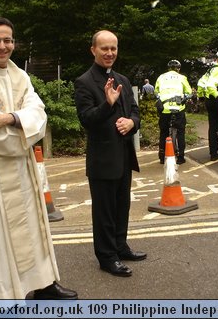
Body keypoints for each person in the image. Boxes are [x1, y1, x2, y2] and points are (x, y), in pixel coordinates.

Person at [0, 17, 77, 300]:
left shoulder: (20, 76)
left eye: (8, 40)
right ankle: (2, 294)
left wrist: (11, 118)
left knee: (34, 226)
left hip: (22, 167)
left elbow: (39, 111)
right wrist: (23, 127)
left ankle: (44, 284)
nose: (3, 46)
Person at [74, 30, 146, 278]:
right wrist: (108, 104)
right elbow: (87, 120)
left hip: (124, 156)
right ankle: (106, 257)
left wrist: (131, 123)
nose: (109, 53)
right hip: (103, 159)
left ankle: (120, 247)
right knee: (104, 211)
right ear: (93, 50)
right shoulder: (84, 82)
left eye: (113, 48)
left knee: (121, 206)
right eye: (104, 48)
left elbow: (135, 112)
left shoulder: (123, 80)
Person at [154, 59, 192, 164]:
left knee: (164, 132)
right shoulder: (182, 77)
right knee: (180, 131)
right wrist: (187, 97)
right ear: (178, 69)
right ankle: (181, 157)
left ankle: (162, 156)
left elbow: (156, 92)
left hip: (164, 108)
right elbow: (188, 92)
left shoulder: (161, 77)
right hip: (178, 107)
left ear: (168, 68)